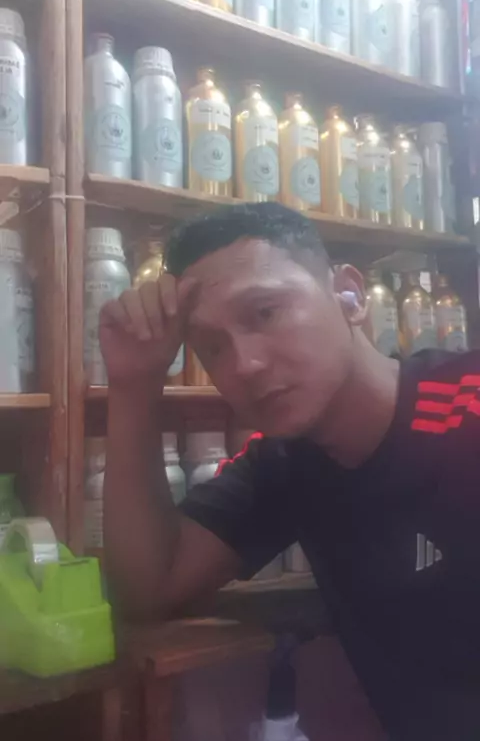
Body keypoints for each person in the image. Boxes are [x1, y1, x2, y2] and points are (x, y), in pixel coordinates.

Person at [101, 202, 480, 741]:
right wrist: (133, 386)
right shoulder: (285, 464)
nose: (245, 365)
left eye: (264, 313)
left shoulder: (467, 411)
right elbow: (150, 587)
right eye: (212, 347)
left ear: (349, 295)